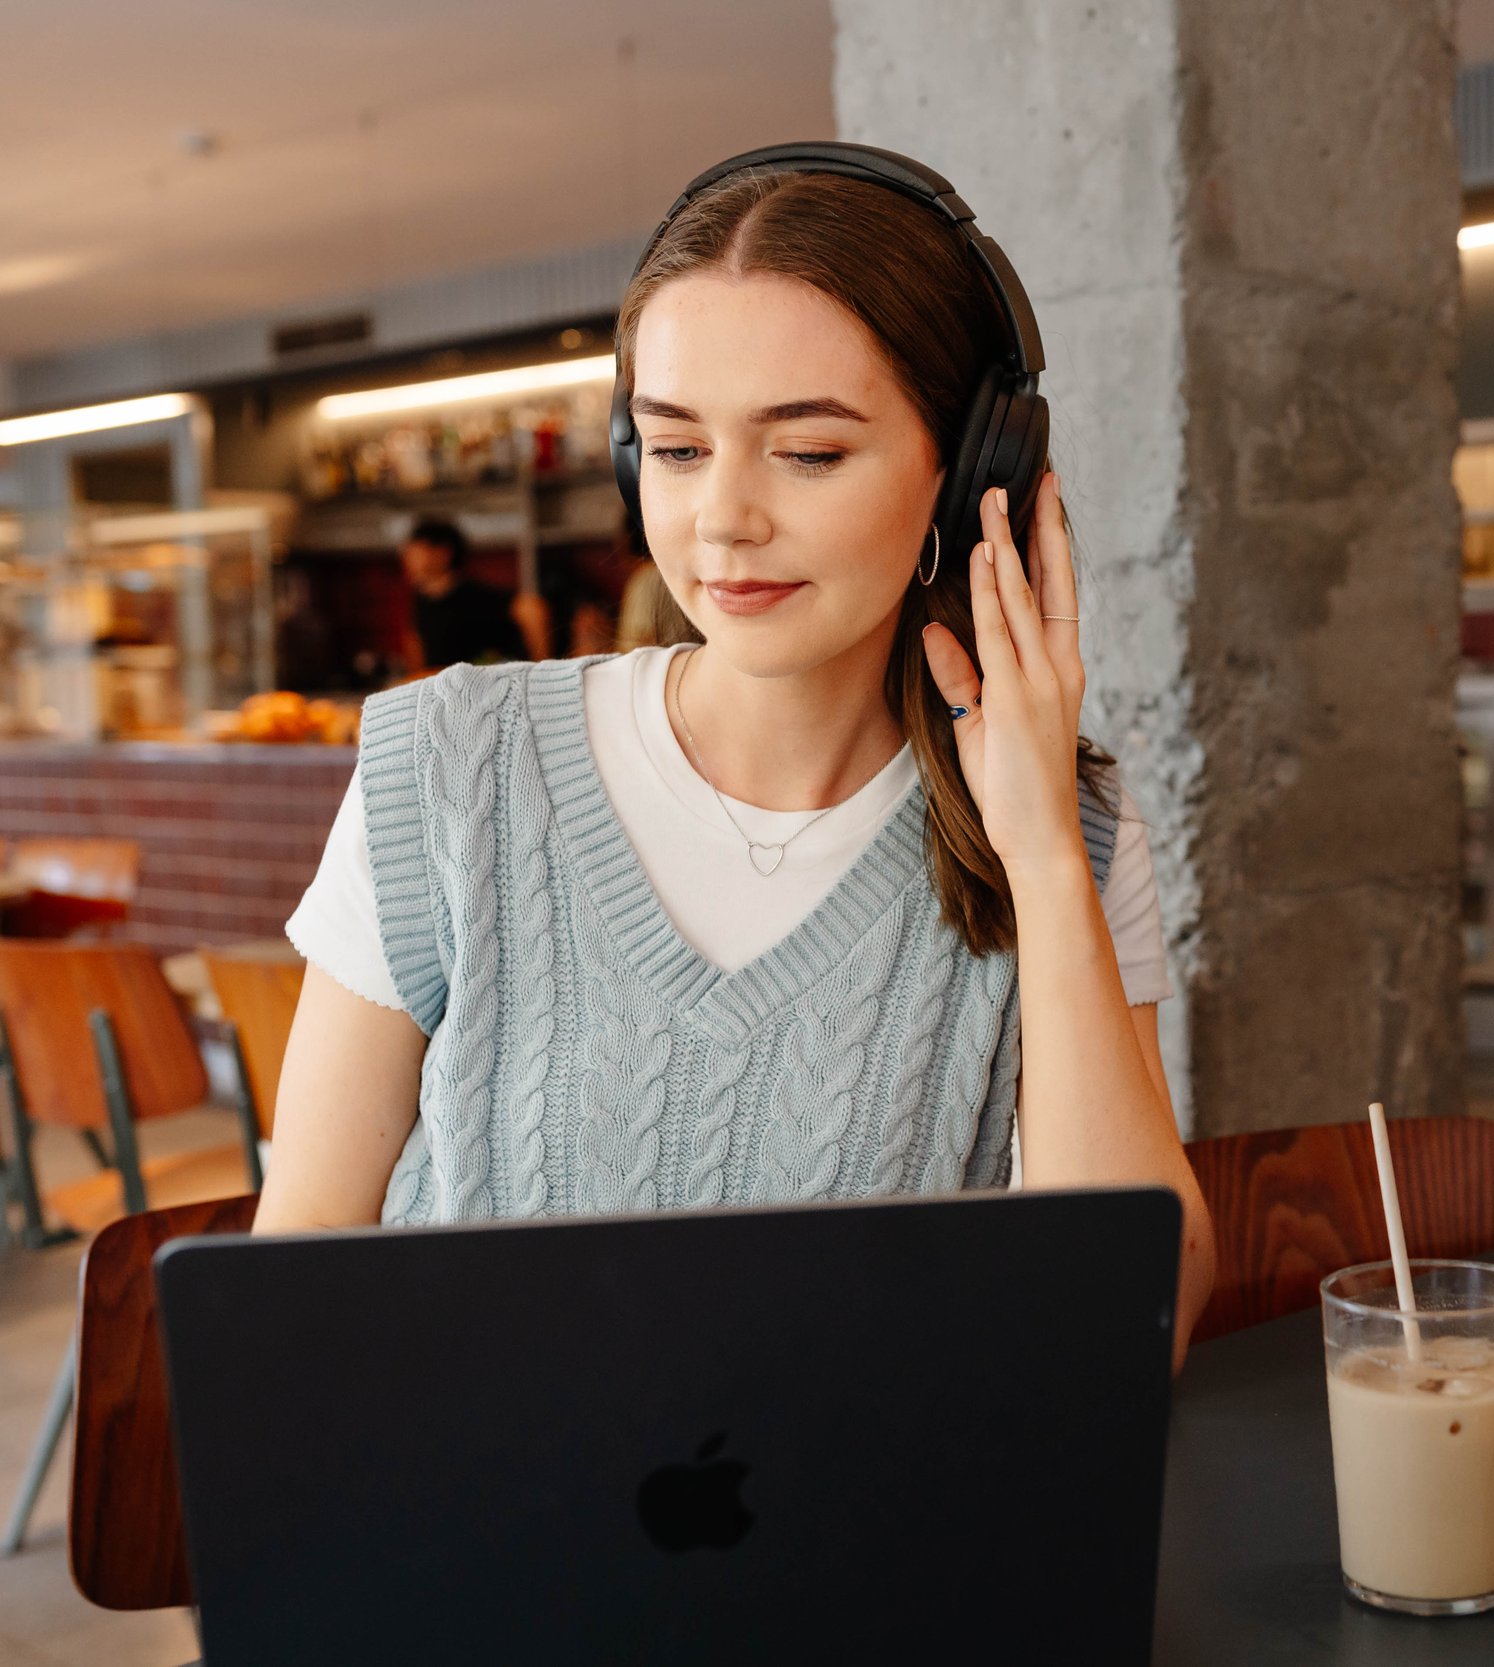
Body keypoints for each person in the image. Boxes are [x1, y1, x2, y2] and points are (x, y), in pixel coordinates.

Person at [262, 149, 1216, 1366]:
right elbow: (297, 1281)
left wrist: (1035, 850)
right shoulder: (450, 765)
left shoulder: (1058, 830)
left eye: (807, 452)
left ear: (969, 469)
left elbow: (1130, 1327)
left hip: (867, 1544)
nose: (722, 519)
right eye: (675, 448)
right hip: (479, 1534)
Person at [397, 519, 546, 669]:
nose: (407, 557)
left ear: (443, 552)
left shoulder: (473, 595)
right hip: (440, 686)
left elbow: (532, 608)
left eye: (415, 550)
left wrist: (539, 672)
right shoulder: (421, 599)